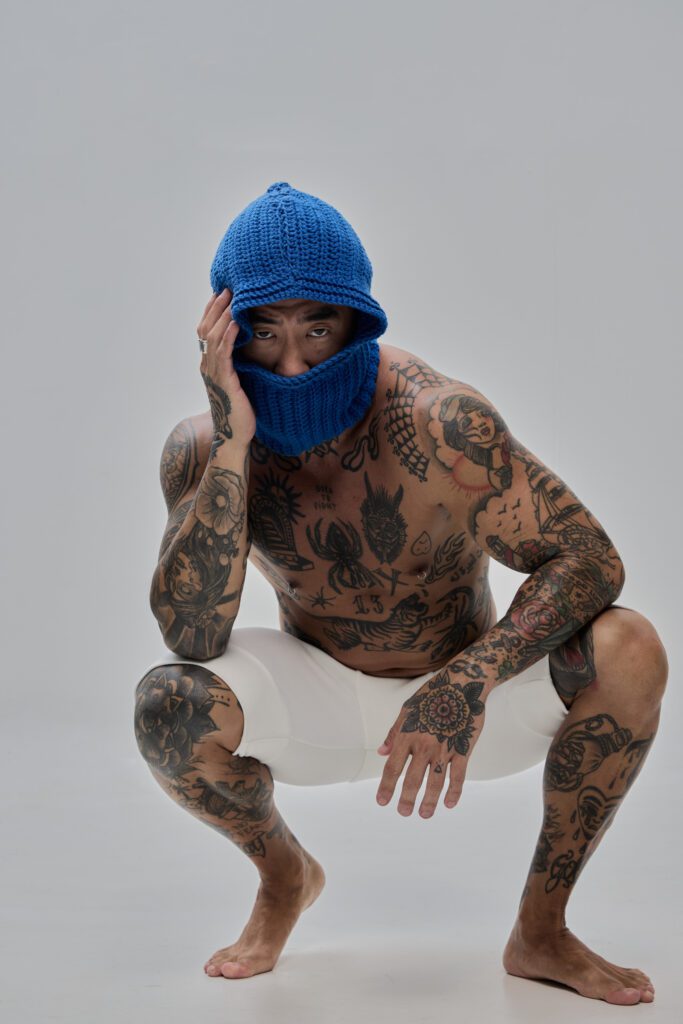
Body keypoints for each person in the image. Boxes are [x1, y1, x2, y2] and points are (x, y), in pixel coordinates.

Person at [133, 181, 667, 1005]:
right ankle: (285, 878)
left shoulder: (439, 421)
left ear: (358, 320)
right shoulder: (201, 449)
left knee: (629, 646)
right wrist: (234, 445)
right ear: (223, 333)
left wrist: (467, 680)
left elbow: (589, 559)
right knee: (169, 702)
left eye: (318, 329)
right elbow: (193, 638)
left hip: (468, 699)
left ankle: (541, 931)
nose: (292, 364)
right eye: (264, 332)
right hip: (320, 697)